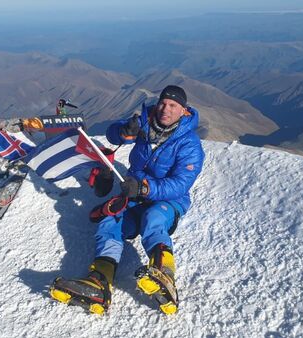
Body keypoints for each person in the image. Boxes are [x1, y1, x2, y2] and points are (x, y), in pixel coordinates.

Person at [50, 85, 205, 315]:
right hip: (134, 193)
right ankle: (99, 282)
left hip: (168, 199)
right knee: (111, 221)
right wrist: (124, 130)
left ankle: (165, 275)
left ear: (183, 111)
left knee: (153, 219)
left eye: (173, 106)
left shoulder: (190, 144)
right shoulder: (146, 118)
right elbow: (112, 135)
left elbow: (180, 184)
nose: (165, 109)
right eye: (163, 102)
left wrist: (144, 189)